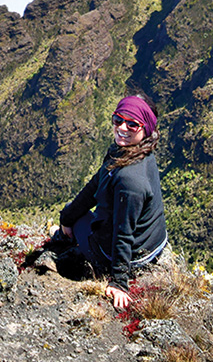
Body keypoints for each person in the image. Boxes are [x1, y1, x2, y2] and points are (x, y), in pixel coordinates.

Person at [58, 88, 167, 309]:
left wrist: (119, 282)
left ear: (145, 128)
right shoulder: (136, 150)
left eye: (132, 124)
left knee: (77, 221)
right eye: (118, 119)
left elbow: (123, 232)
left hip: (132, 256)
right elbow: (94, 186)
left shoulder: (130, 181)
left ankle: (78, 247)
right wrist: (66, 217)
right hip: (153, 243)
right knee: (72, 213)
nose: (122, 128)